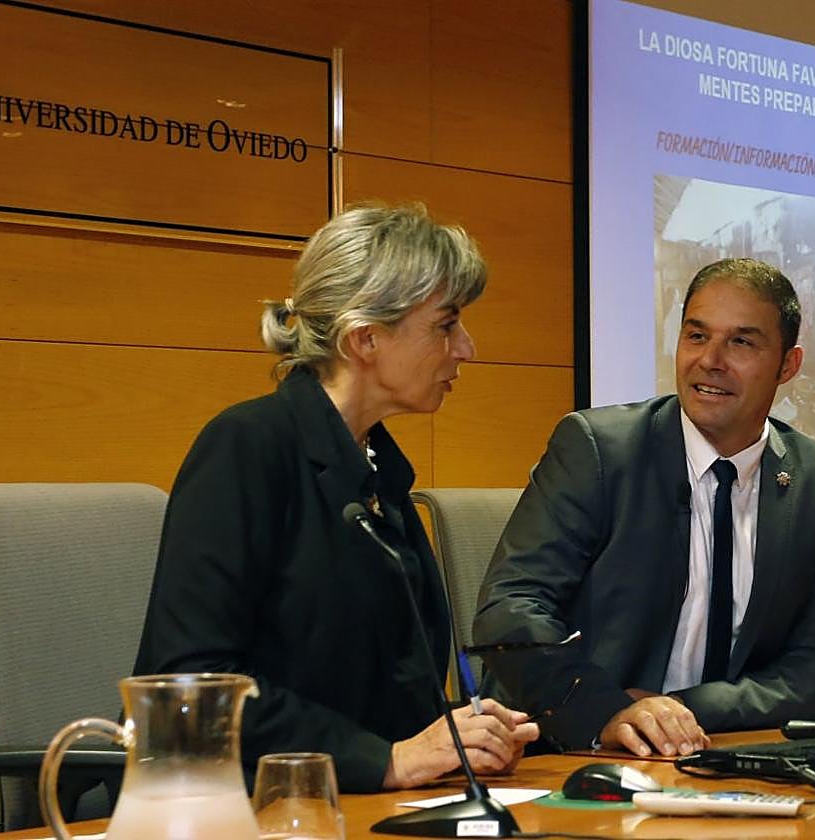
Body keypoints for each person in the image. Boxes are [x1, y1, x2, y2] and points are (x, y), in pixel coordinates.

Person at [133, 204, 538, 792]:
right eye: (446, 325)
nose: (466, 348)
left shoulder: (378, 471)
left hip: (357, 803)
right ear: (365, 338)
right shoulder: (247, 447)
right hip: (237, 804)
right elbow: (192, 686)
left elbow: (383, 683)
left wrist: (457, 733)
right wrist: (385, 759)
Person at [473, 257, 815, 757]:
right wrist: (607, 709)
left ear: (788, 365)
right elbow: (510, 610)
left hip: (712, 753)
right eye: (697, 336)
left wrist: (680, 709)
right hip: (571, 752)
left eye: (741, 342)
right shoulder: (598, 449)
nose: (710, 360)